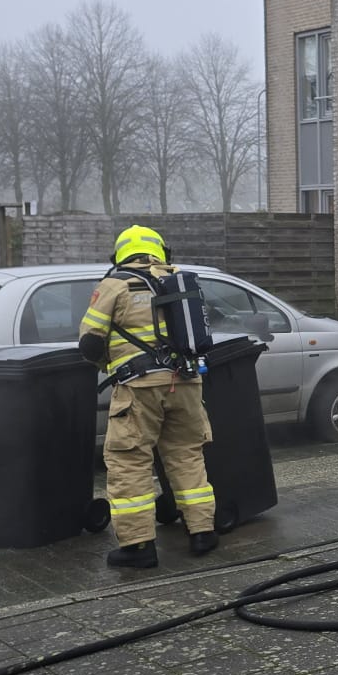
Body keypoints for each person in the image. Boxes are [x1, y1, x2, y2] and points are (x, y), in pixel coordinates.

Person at [78, 225, 219, 568]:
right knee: (186, 455)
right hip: (185, 382)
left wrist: (107, 364)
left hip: (139, 388)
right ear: (161, 252)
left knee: (129, 461)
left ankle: (139, 546)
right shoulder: (180, 282)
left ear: (120, 255)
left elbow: (90, 343)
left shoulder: (115, 285)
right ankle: (202, 533)